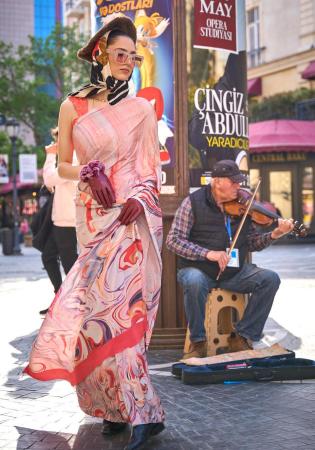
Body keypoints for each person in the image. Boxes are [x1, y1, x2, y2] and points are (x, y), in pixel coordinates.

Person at [24, 17, 164, 450]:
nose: (127, 63)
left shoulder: (142, 109)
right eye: (120, 54)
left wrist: (141, 199)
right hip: (92, 218)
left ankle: (143, 412)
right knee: (95, 320)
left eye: (133, 58)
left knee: (127, 315)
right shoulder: (73, 106)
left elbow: (150, 168)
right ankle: (111, 409)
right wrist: (85, 170)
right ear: (101, 53)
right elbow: (63, 164)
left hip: (129, 221)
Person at [166, 160, 294, 360]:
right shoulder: (192, 203)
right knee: (194, 281)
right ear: (216, 181)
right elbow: (173, 241)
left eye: (239, 182)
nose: (238, 186)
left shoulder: (244, 206)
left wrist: (275, 234)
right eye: (233, 182)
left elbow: (252, 243)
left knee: (270, 279)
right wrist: (208, 254)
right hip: (198, 269)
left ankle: (243, 336)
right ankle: (198, 341)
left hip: (233, 272)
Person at [39, 127, 78, 315]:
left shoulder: (72, 159)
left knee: (71, 266)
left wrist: (49, 156)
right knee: (48, 256)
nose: (56, 144)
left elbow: (49, 179)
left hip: (68, 221)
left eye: (58, 140)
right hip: (61, 220)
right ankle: (60, 298)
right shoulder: (67, 158)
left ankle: (72, 307)